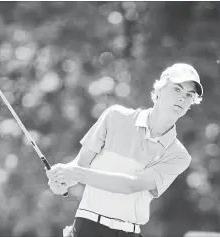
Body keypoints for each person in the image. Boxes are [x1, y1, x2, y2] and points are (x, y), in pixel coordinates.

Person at [46, 63, 204, 237]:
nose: (182, 98)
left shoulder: (178, 156)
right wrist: (62, 180)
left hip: (129, 232)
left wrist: (76, 174)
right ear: (159, 89)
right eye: (177, 89)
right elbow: (81, 164)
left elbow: (131, 184)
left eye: (189, 95)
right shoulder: (114, 117)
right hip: (87, 226)